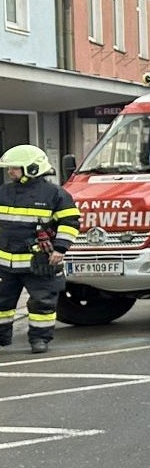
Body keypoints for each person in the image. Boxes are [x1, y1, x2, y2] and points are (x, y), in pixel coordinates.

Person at [0, 145, 81, 354]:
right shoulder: (3, 192)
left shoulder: (54, 194)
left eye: (14, 168)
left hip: (39, 262)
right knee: (1, 303)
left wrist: (60, 249)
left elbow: (70, 223)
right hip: (5, 263)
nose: (10, 172)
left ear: (32, 168)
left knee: (42, 303)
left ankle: (39, 339)